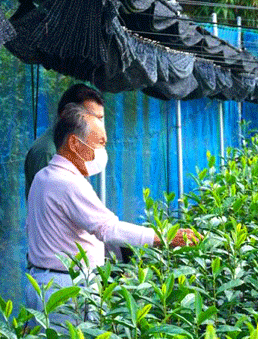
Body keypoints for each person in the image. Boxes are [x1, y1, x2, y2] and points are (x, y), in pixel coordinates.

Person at [25, 103, 198, 327]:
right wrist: (164, 237)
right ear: (75, 144)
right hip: (66, 291)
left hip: (44, 282)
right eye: (99, 143)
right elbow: (107, 228)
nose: (102, 152)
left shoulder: (43, 177)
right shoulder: (67, 183)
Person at [25, 83, 105, 200]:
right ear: (66, 115)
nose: (97, 126)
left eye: (99, 119)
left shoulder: (78, 147)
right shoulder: (48, 152)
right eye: (91, 118)